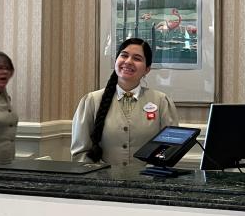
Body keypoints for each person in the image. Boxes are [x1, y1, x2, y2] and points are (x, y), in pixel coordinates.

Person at [70, 37, 178, 167]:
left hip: (148, 183)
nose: (128, 61)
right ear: (116, 61)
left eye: (137, 58)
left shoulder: (162, 102)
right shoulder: (92, 101)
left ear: (147, 69)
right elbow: (81, 154)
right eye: (124, 56)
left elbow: (169, 150)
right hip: (103, 184)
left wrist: (150, 176)